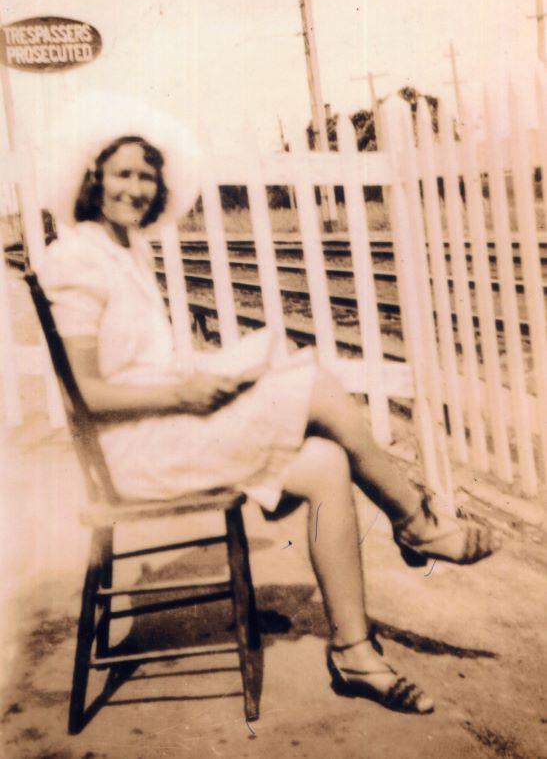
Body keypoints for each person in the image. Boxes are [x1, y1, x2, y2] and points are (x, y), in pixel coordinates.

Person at [39, 94, 500, 717]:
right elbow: (90, 395)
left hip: (168, 426)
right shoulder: (73, 259)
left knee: (326, 462)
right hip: (139, 450)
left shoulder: (123, 250)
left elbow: (145, 364)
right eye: (124, 173)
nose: (139, 187)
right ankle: (416, 523)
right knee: (313, 387)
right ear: (93, 178)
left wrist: (216, 371)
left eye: (148, 175)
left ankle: (354, 654)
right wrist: (184, 392)